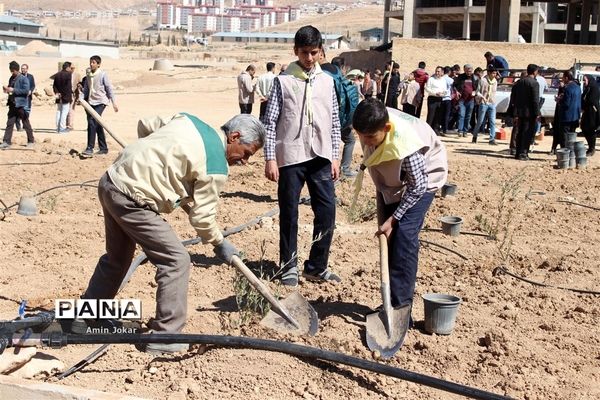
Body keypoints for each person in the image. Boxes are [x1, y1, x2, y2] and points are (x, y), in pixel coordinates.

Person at [79, 113, 266, 354]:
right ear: (235, 136)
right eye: (247, 153)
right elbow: (202, 218)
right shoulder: (216, 166)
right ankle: (165, 336)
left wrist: (154, 156)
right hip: (133, 199)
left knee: (117, 258)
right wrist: (220, 244)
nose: (245, 161)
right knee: (176, 260)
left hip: (112, 181)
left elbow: (146, 124)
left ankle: (89, 316)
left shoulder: (190, 120)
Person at [351, 98, 447, 321]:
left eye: (370, 137)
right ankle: (390, 300)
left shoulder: (408, 147)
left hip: (424, 179)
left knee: (404, 235)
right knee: (389, 237)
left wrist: (394, 219)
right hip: (394, 179)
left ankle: (401, 306)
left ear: (386, 128)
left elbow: (417, 187)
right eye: (361, 136)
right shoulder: (372, 123)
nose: (365, 143)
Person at [263, 25, 341, 287]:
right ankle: (288, 265)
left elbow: (334, 122)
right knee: (289, 212)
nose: (309, 58)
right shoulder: (283, 81)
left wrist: (336, 156)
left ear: (321, 52)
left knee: (327, 211)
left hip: (321, 156)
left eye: (314, 53)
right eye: (304, 53)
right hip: (291, 156)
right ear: (295, 51)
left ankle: (317, 266)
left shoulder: (328, 82)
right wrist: (270, 158)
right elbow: (270, 122)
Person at [319, 49, 360, 178]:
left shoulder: (320, 72)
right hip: (341, 117)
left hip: (324, 117)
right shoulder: (337, 74)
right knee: (350, 141)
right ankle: (344, 169)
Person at [82, 55, 118, 156]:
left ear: (98, 64)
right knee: (98, 124)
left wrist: (114, 102)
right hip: (90, 102)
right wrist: (81, 99)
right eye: (90, 62)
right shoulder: (88, 74)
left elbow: (109, 88)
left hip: (101, 102)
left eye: (93, 62)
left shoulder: (103, 75)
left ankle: (90, 148)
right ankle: (103, 148)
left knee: (92, 121)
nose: (91, 64)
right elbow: (86, 88)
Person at [509, 64, 540, 160]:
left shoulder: (519, 82)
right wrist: (537, 113)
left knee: (520, 132)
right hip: (529, 113)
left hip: (519, 111)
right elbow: (535, 100)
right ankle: (523, 153)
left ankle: (518, 153)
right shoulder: (534, 83)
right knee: (527, 133)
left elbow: (513, 97)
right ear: (535, 72)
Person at [0, 61, 34, 150]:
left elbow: (26, 91)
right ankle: (6, 142)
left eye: (12, 71)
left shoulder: (23, 79)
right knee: (10, 123)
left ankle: (31, 141)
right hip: (12, 104)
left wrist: (13, 90)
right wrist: (6, 89)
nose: (11, 72)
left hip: (20, 105)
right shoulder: (12, 78)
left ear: (15, 70)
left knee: (25, 123)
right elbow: (10, 88)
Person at [472, 65, 498, 144]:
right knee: (480, 121)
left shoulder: (495, 81)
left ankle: (492, 138)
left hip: (492, 103)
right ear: (489, 73)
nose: (494, 75)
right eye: (493, 73)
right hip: (483, 103)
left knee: (493, 121)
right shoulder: (483, 80)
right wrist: (482, 97)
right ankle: (475, 135)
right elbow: (477, 91)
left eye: (495, 73)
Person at [558, 71, 582, 150]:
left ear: (567, 78)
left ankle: (565, 152)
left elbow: (567, 103)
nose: (562, 79)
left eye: (563, 78)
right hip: (575, 116)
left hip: (567, 117)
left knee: (564, 137)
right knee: (572, 137)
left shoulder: (568, 88)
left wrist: (559, 100)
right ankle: (571, 153)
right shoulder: (578, 87)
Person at [454, 64, 479, 137]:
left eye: (470, 71)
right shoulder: (460, 77)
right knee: (461, 115)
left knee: (468, 116)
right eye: (467, 71)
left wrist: (475, 92)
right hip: (462, 99)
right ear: (465, 70)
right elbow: (454, 85)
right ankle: (460, 131)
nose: (469, 72)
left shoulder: (475, 78)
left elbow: (478, 88)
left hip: (471, 100)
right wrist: (457, 91)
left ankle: (465, 131)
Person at [424, 66, 447, 134]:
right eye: (436, 71)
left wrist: (442, 93)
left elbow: (445, 90)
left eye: (438, 71)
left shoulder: (443, 80)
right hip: (432, 98)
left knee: (438, 115)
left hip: (440, 99)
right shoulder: (431, 79)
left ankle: (436, 130)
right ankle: (428, 130)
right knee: (431, 115)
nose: (437, 73)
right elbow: (427, 88)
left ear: (442, 72)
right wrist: (435, 93)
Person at [581, 74, 599, 156]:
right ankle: (590, 146)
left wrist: (584, 102)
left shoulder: (594, 88)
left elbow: (591, 100)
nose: (584, 82)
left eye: (585, 80)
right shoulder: (587, 88)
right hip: (587, 111)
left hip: (593, 111)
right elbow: (583, 98)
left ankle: (592, 148)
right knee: (584, 128)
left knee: (591, 130)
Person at [53, 61, 73, 133]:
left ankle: (58, 128)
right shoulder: (68, 75)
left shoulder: (57, 74)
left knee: (59, 111)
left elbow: (54, 86)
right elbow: (68, 87)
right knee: (64, 112)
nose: (71, 69)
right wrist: (69, 96)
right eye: (70, 67)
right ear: (67, 67)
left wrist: (57, 93)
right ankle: (62, 129)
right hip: (66, 96)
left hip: (58, 96)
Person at [15, 63, 35, 131]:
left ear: (27, 69)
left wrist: (30, 91)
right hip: (20, 97)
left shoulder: (30, 76)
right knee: (19, 112)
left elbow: (33, 85)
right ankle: (18, 127)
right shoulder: (18, 76)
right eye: (22, 68)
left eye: (24, 68)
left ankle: (25, 126)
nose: (23, 70)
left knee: (27, 111)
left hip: (28, 97)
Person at [67, 63, 81, 130]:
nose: (72, 69)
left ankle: (70, 125)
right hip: (66, 94)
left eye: (73, 68)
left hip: (73, 95)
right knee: (66, 110)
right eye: (71, 68)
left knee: (71, 110)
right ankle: (67, 124)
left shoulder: (77, 75)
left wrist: (78, 96)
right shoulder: (65, 75)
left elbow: (79, 85)